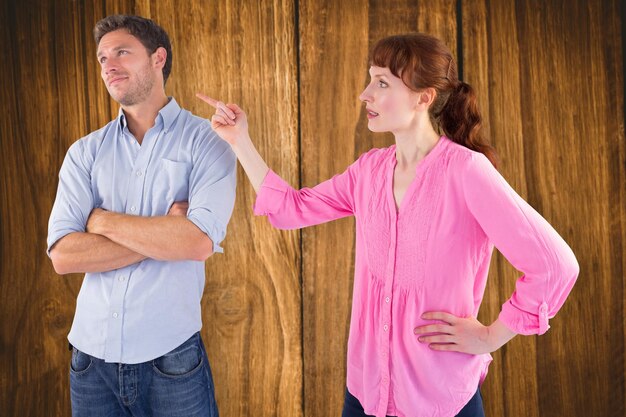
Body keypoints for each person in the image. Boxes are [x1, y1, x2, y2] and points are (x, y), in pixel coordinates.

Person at [197, 33, 579, 417]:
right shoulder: (369, 171)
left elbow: (555, 266)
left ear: (423, 97)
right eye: (370, 79)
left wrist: (490, 337)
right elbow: (292, 209)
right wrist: (239, 141)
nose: (365, 94)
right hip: (365, 393)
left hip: (438, 399)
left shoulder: (467, 172)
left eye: (382, 83)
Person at [47, 14, 236, 417]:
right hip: (89, 362)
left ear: (158, 58)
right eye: (101, 58)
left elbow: (196, 242)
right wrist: (162, 235)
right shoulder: (85, 152)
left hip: (171, 359)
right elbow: (64, 256)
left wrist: (102, 222)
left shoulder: (209, 141)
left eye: (121, 52)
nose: (108, 66)